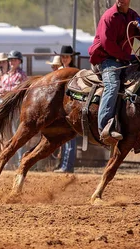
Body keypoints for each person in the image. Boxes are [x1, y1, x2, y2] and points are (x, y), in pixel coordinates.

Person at [89, 0, 140, 143]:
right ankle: (105, 127)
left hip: (123, 59)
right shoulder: (109, 16)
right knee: (112, 85)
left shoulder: (132, 16)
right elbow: (107, 44)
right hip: (106, 59)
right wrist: (126, 57)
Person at [54, 45, 79, 173]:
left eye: (67, 57)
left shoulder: (74, 72)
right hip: (60, 108)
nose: (64, 59)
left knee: (69, 138)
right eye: (63, 57)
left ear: (71, 58)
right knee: (63, 138)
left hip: (69, 106)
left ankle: (67, 166)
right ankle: (63, 165)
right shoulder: (61, 71)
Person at [0, 50, 28, 166]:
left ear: (19, 62)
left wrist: (9, 92)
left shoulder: (21, 75)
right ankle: (6, 161)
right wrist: (2, 92)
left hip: (16, 107)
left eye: (15, 60)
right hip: (5, 106)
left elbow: (23, 91)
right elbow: (0, 90)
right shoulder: (5, 76)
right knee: (5, 134)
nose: (12, 62)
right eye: (11, 60)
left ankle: (19, 161)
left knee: (17, 133)